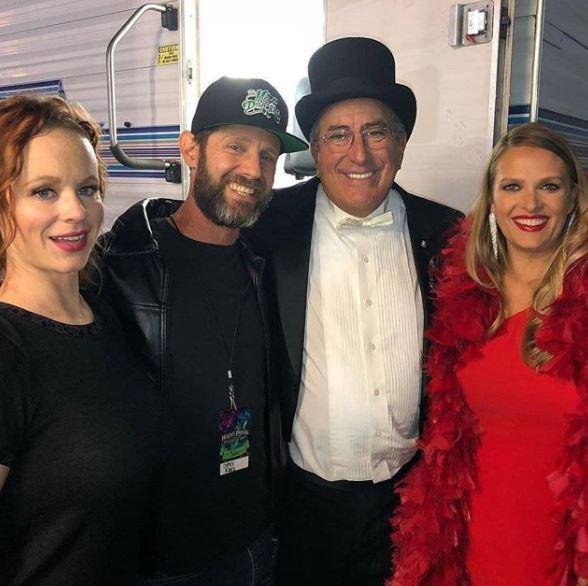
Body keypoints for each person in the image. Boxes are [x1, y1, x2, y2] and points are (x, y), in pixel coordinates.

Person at [246, 37, 462, 586]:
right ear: (315, 149)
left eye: (376, 131)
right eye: (338, 134)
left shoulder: (447, 235)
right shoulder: (268, 230)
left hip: (409, 504)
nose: (358, 154)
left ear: (403, 141)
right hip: (300, 505)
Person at [98, 77, 307, 585]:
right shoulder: (119, 269)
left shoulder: (265, 264)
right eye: (235, 146)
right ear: (191, 148)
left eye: (268, 155)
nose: (253, 170)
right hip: (161, 562)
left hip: (258, 543)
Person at [391, 123, 588, 585]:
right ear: (493, 199)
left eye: (549, 187)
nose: (531, 204)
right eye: (513, 186)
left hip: (565, 551)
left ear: (572, 198)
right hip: (470, 540)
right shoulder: (468, 297)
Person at [0, 94, 170, 585]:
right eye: (44, 191)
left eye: (87, 187)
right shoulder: (8, 350)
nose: (76, 211)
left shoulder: (103, 316)